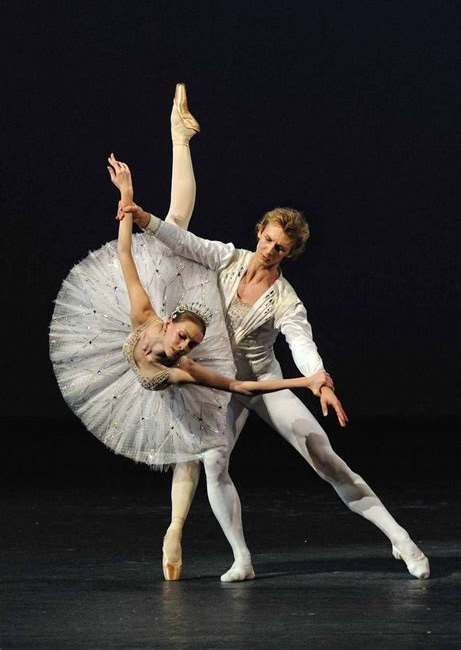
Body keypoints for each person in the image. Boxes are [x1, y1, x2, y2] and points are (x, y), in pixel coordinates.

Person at [120, 83, 431, 582]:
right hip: (218, 382)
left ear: (288, 255)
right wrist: (147, 219)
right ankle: (241, 558)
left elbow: (300, 341)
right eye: (266, 240)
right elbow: (186, 238)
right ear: (258, 234)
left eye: (279, 248)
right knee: (213, 463)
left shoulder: (286, 300)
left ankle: (401, 540)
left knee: (322, 455)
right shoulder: (228, 258)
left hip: (262, 380)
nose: (268, 251)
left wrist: (318, 376)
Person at [49, 84, 334, 583]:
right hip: (178, 346)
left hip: (156, 312)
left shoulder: (146, 321)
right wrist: (304, 380)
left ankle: (179, 137)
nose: (181, 344)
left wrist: (128, 200)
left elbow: (125, 259)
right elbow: (239, 386)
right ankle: (176, 526)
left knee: (175, 223)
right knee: (195, 449)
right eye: (183, 343)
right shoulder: (181, 369)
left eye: (179, 341)